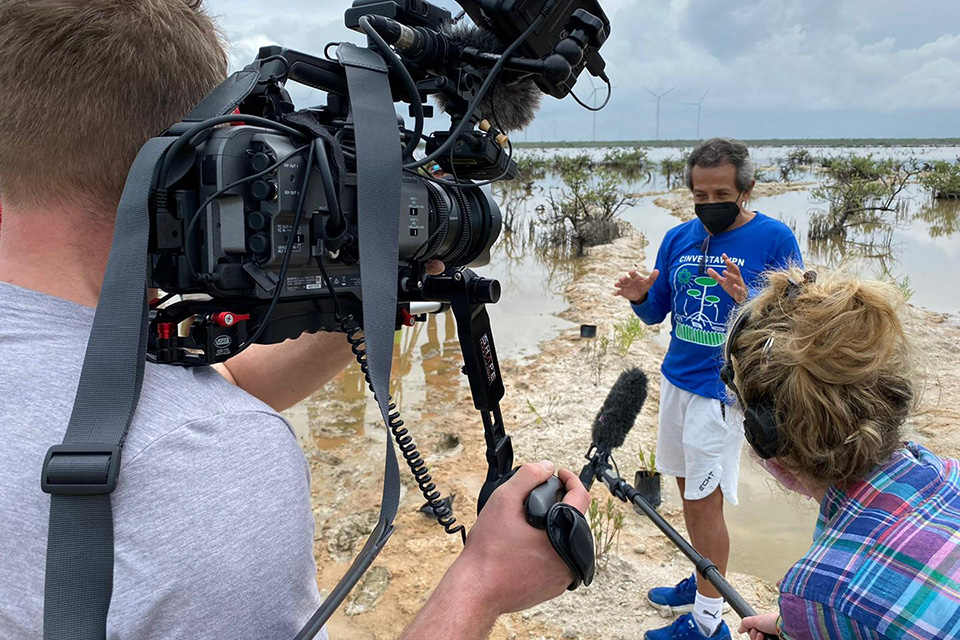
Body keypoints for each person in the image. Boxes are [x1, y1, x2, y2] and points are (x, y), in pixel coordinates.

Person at [0, 1, 589, 639]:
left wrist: (367, 287)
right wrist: (482, 585)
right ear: (195, 153)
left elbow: (217, 382)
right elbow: (191, 417)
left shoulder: (96, 364)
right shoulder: (211, 455)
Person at [613, 138, 802, 640]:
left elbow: (796, 320)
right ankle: (702, 579)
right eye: (700, 195)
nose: (709, 203)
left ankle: (707, 620)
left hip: (720, 393)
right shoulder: (678, 237)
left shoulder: (774, 238)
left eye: (721, 193)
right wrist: (639, 297)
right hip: (677, 381)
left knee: (704, 502)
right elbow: (656, 312)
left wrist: (749, 301)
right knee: (685, 488)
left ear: (746, 188)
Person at [726, 268, 960, 640]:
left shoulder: (816, 593)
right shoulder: (948, 472)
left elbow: (841, 598)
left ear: (763, 437)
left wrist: (806, 618)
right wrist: (800, 624)